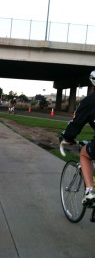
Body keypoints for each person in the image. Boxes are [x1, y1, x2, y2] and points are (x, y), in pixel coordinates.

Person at [60, 70, 95, 206]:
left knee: (85, 154)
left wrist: (67, 137)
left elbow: (76, 123)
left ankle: (90, 193)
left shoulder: (90, 101)